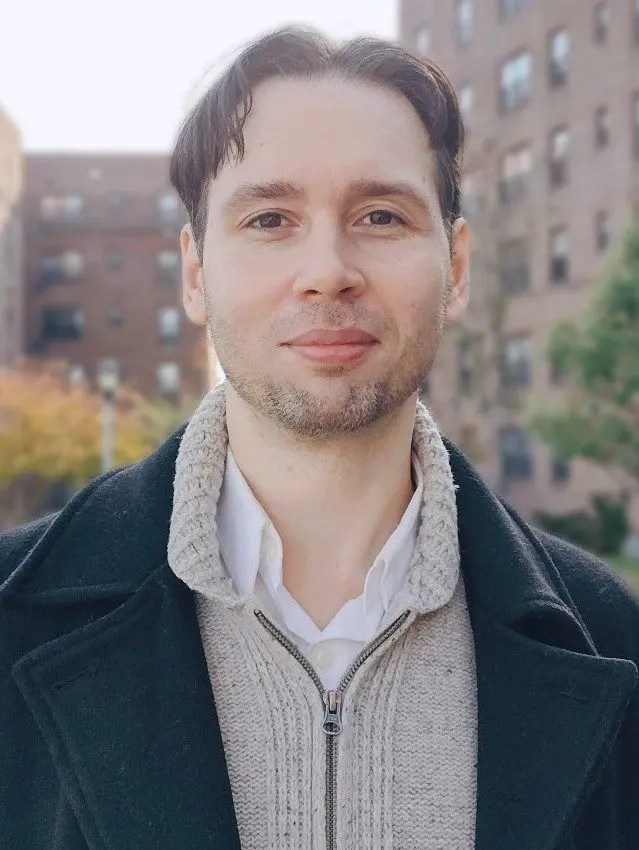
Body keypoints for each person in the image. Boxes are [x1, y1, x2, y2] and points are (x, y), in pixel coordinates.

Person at [1, 27, 638, 850]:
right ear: (195, 274)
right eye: (270, 218)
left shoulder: (610, 639)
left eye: (380, 215)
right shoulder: (13, 614)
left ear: (456, 264)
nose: (327, 267)